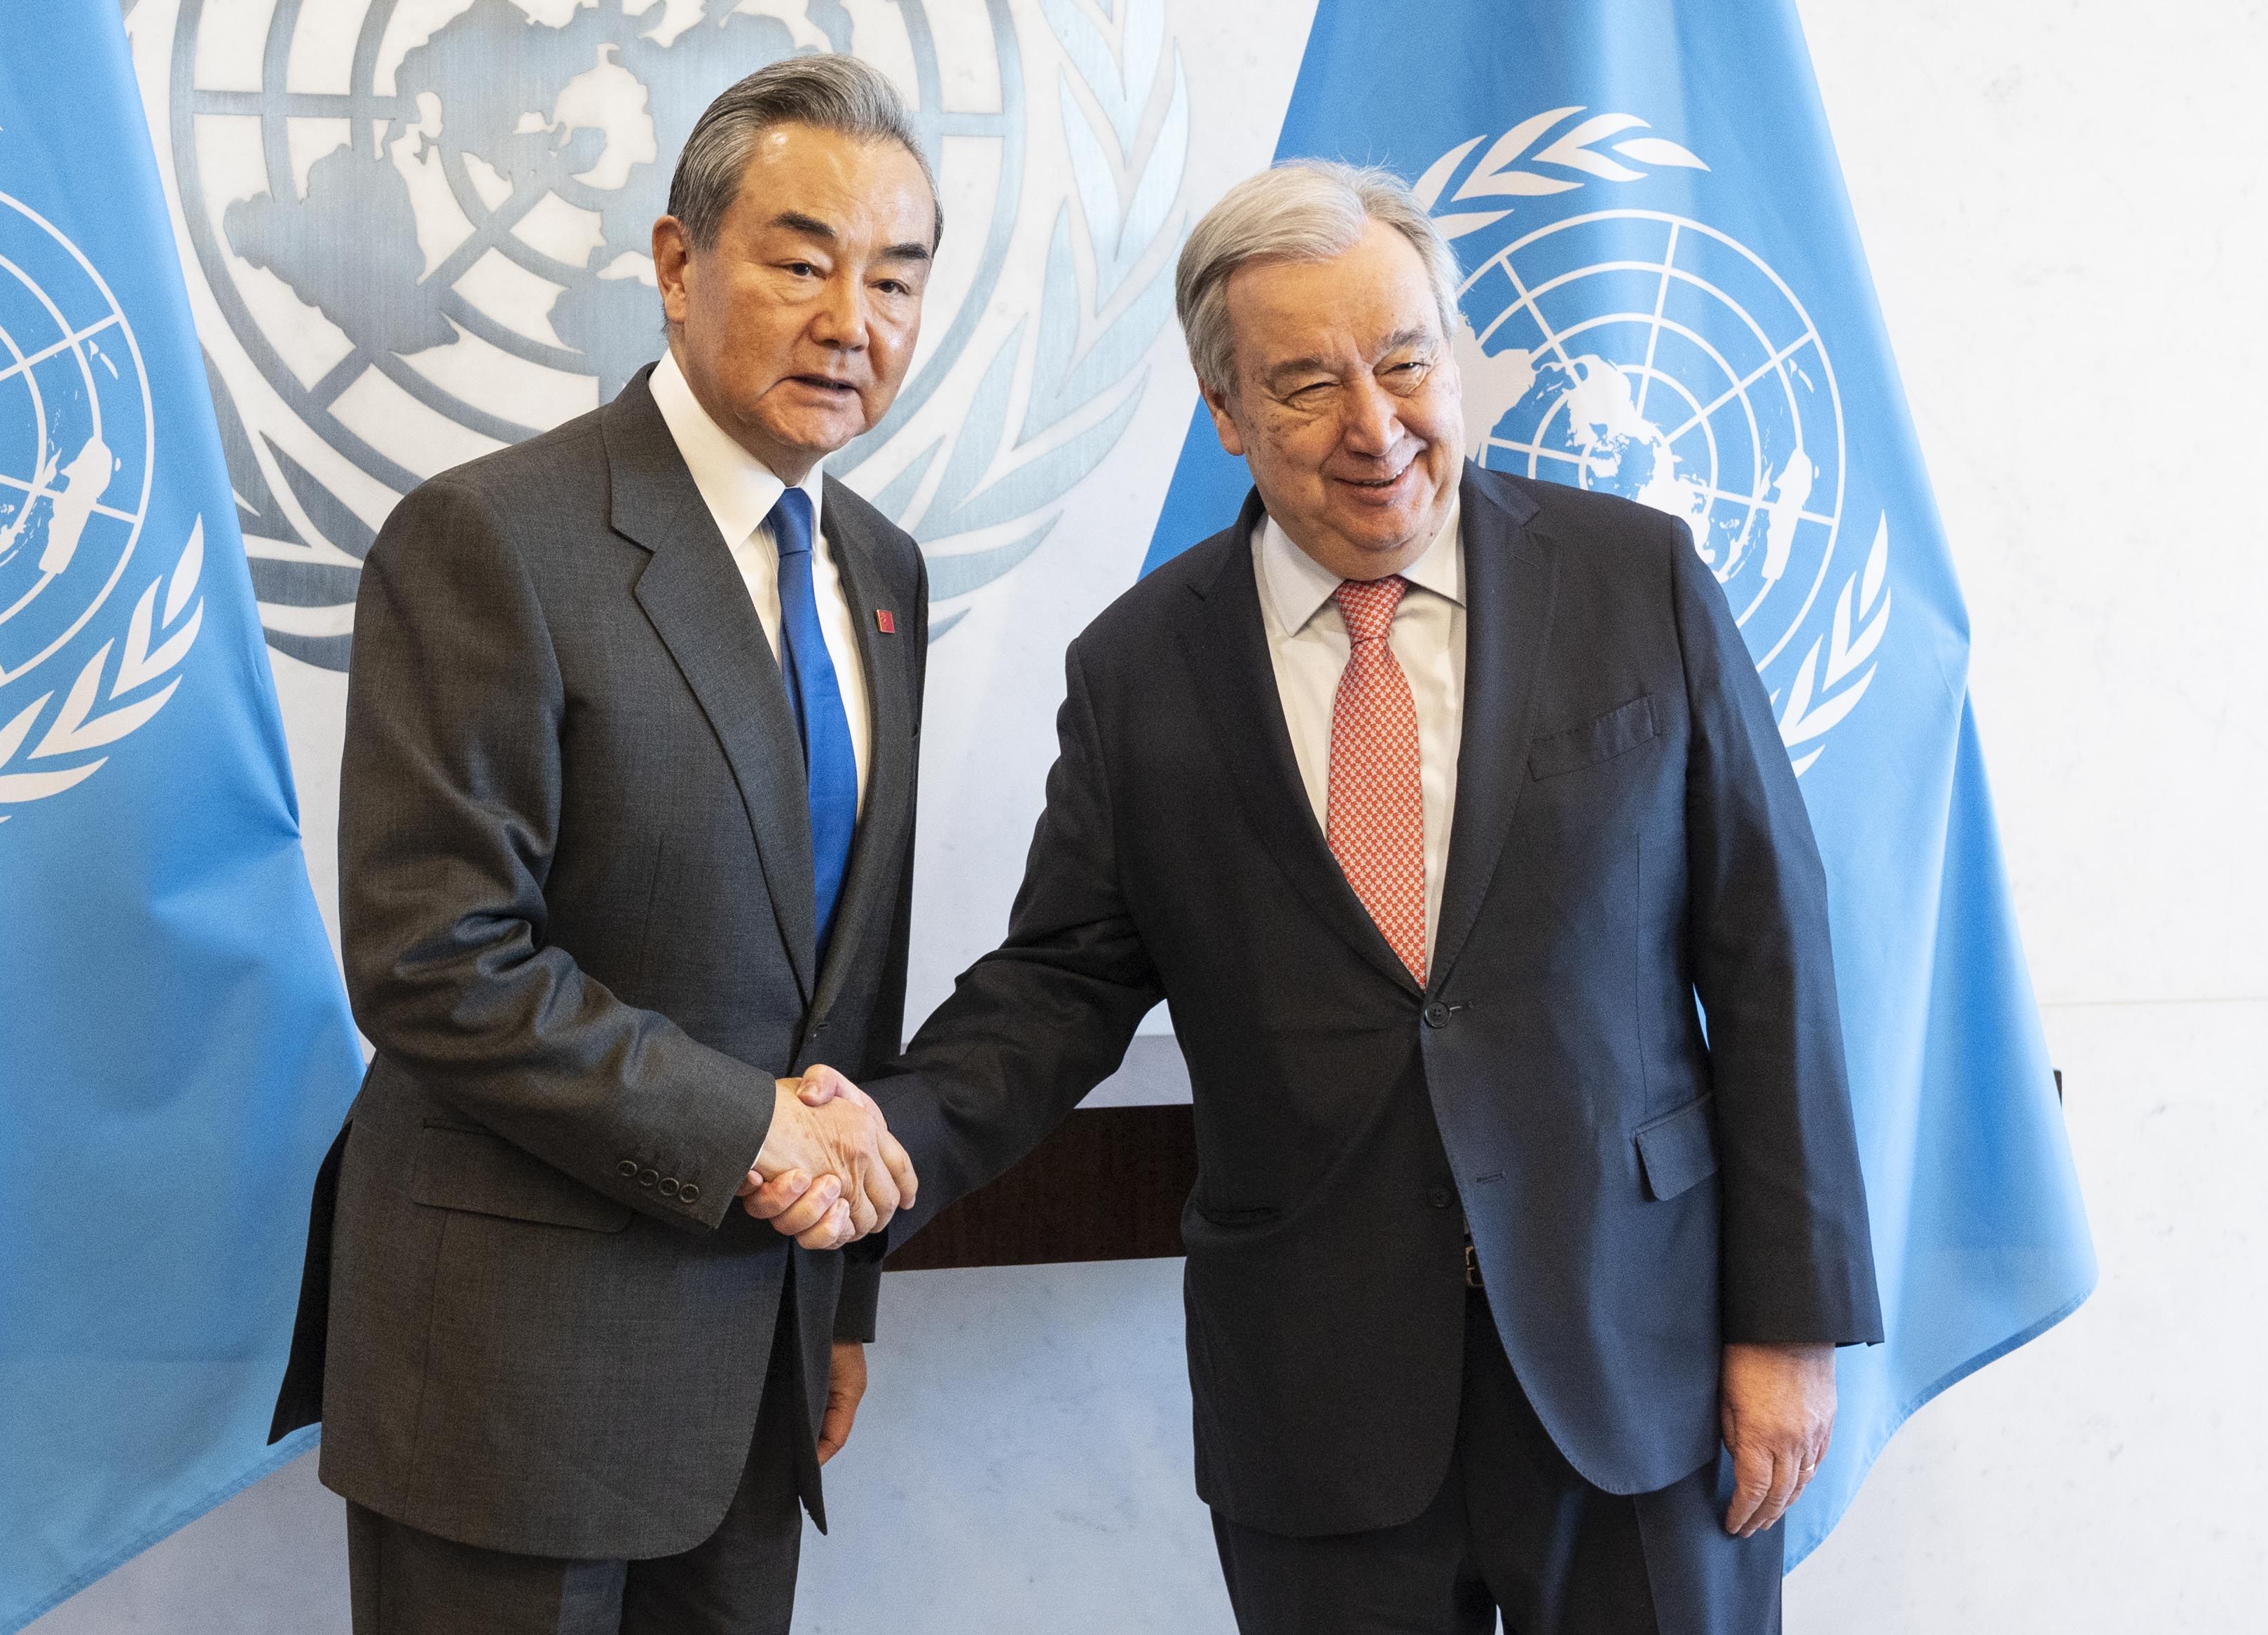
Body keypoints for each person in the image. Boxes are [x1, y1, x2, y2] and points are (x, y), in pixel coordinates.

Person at [756, 160, 1884, 1634]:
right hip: (1321, 1399)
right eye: (1302, 385)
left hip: (1639, 1373)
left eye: (1405, 361)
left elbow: (1770, 956)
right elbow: (1060, 989)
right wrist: (879, 1138)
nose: (1375, 427)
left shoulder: (1637, 581)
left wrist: (1788, 1326)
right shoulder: (1142, 672)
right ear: (1224, 416)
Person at [267, 55, 933, 1635]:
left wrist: (840, 1300)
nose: (853, 317)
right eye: (800, 260)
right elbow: (440, 961)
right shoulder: (493, 537)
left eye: (897, 276)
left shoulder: (882, 570)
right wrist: (755, 1141)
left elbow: (844, 973)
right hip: (508, 1376)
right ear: (676, 265)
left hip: (754, 1365)